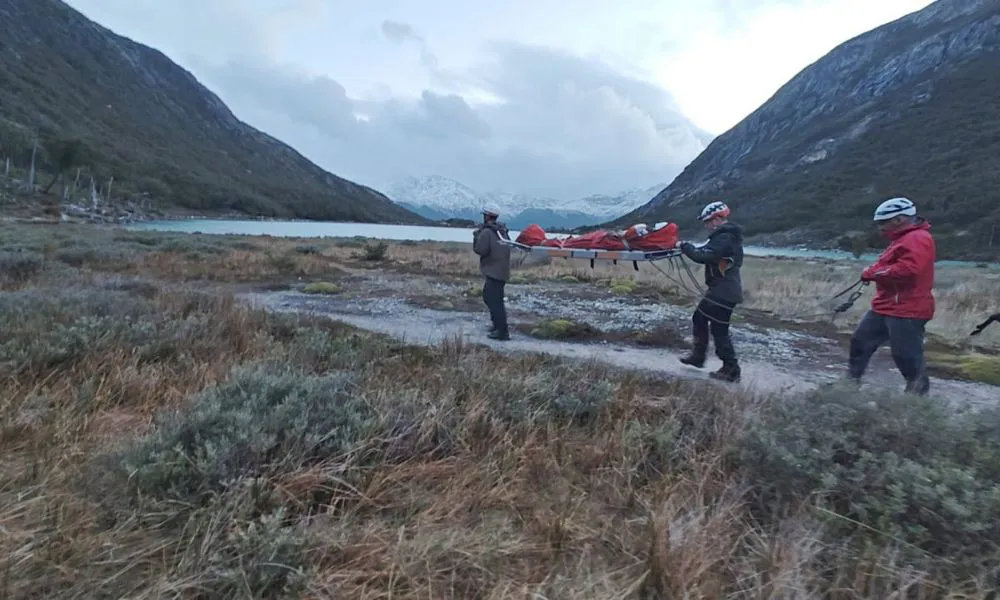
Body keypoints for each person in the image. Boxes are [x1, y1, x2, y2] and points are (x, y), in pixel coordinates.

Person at [847, 196, 936, 395]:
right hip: (886, 305)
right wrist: (873, 269)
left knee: (907, 356)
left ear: (899, 220)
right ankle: (849, 386)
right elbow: (886, 264)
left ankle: (917, 401)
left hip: (908, 308)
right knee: (860, 343)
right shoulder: (901, 239)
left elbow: (910, 269)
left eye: (883, 222)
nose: (880, 227)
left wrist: (873, 273)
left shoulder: (918, 238)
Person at [675, 201, 745, 382]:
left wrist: (684, 246)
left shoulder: (725, 238)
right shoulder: (725, 237)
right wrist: (689, 247)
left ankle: (726, 367)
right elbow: (706, 251)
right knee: (713, 325)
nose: (706, 225)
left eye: (707, 221)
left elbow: (703, 255)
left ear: (717, 219)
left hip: (723, 291)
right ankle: (721, 364)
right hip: (725, 290)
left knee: (710, 324)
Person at [473, 206, 512, 341]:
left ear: (487, 216)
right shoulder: (502, 231)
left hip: (493, 270)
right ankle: (497, 326)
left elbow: (480, 250)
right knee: (494, 299)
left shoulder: (487, 232)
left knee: (493, 300)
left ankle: (502, 331)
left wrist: (476, 236)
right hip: (502, 270)